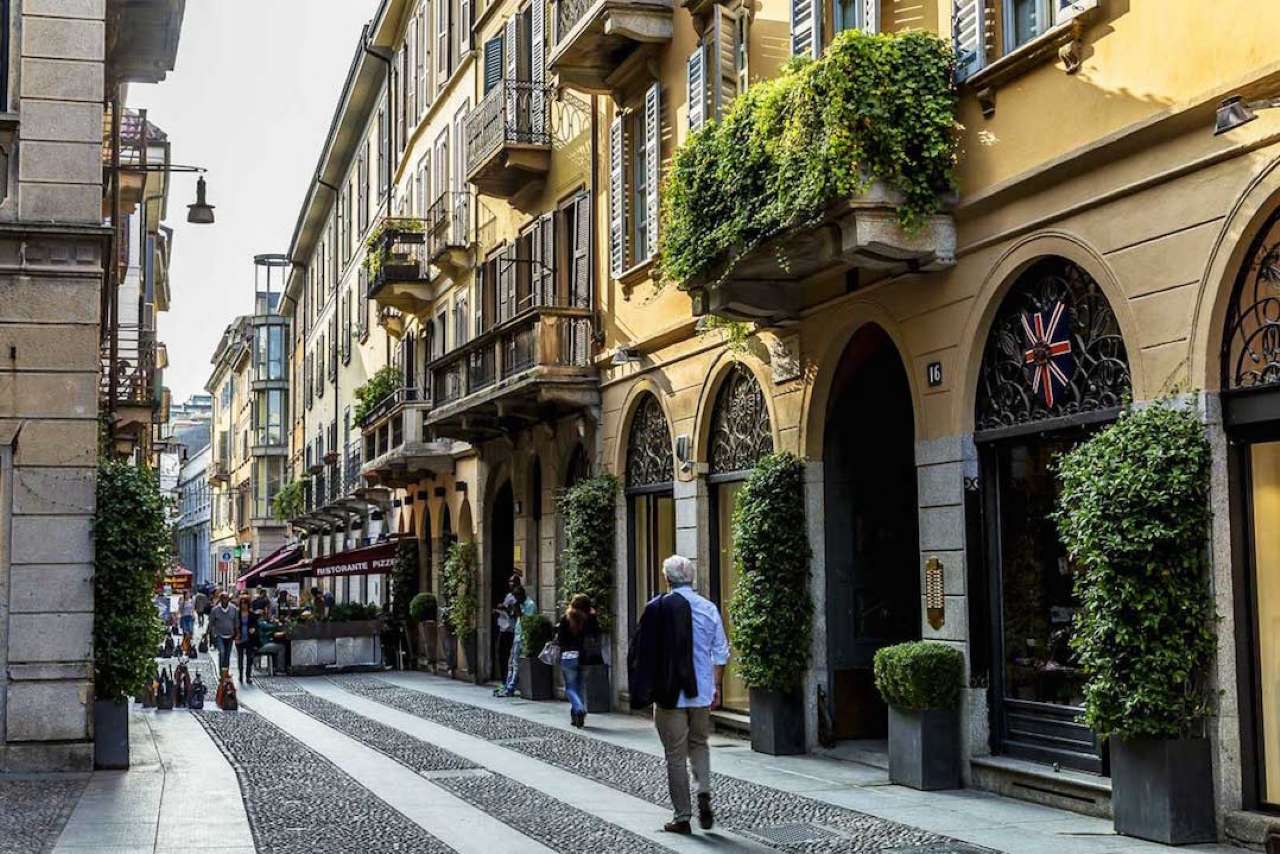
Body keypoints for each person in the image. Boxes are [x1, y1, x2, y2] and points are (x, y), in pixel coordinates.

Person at [628, 555, 729, 835]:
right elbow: (720, 652)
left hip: (669, 695)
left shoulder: (657, 607)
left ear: (667, 579)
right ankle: (704, 792)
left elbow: (642, 652)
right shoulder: (708, 608)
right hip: (701, 694)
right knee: (699, 744)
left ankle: (682, 816)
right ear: (692, 578)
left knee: (675, 755)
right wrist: (717, 687)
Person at [555, 593, 602, 728]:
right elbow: (597, 634)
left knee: (570, 687)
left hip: (568, 657)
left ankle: (579, 708)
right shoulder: (590, 618)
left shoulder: (566, 618)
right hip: (584, 657)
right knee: (579, 687)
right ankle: (576, 715)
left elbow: (560, 639)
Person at [498, 582, 537, 697]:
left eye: (516, 598)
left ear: (521, 596)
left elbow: (527, 622)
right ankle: (507, 686)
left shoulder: (530, 605)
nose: (515, 601)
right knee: (512, 662)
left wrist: (518, 612)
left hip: (523, 638)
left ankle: (510, 688)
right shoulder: (520, 604)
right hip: (517, 635)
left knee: (516, 663)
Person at [208, 591, 238, 673]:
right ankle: (221, 670)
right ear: (220, 599)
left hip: (230, 635)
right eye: (223, 598)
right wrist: (209, 634)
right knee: (222, 652)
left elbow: (236, 622)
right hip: (219, 635)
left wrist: (237, 633)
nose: (225, 600)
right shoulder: (215, 610)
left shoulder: (233, 609)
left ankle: (226, 671)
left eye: (226, 598)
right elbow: (211, 623)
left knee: (227, 655)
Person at [235, 594, 259, 684]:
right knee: (240, 658)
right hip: (240, 638)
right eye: (242, 603)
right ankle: (240, 675)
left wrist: (254, 629)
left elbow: (256, 625)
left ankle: (248, 676)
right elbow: (234, 625)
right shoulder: (237, 614)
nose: (243, 605)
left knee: (249, 658)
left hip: (249, 639)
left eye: (245, 603)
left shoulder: (252, 614)